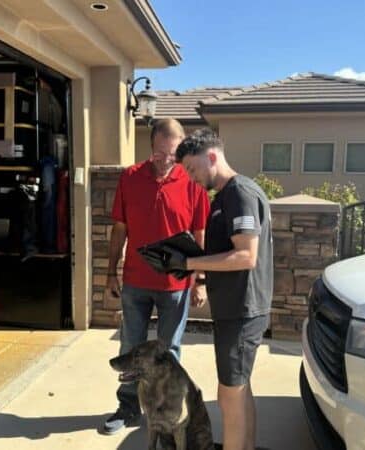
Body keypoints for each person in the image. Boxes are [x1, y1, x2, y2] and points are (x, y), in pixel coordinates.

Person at [153, 128, 273, 450]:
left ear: (212, 156)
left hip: (242, 310)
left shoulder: (239, 193)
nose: (191, 178)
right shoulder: (225, 197)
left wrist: (189, 264)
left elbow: (246, 256)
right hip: (236, 308)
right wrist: (192, 256)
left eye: (192, 169)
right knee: (240, 389)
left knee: (229, 393)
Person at [102, 118, 210, 435]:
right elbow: (120, 228)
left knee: (169, 352)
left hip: (174, 286)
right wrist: (110, 272)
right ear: (151, 147)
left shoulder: (191, 183)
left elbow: (199, 233)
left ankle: (164, 412)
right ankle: (128, 407)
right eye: (161, 153)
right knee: (131, 348)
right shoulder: (130, 178)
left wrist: (198, 279)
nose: (166, 161)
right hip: (135, 282)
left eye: (173, 155)